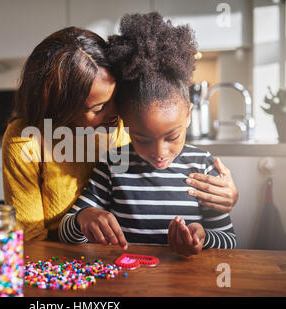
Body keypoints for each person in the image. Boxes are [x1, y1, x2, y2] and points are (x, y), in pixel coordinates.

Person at [2, 24, 239, 242]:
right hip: (63, 261)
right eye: (99, 107)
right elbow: (30, 239)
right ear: (64, 108)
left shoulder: (125, 122)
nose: (116, 111)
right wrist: (80, 222)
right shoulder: (26, 139)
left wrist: (226, 197)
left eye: (115, 98)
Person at [58, 12, 236, 256]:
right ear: (124, 123)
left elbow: (230, 240)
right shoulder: (112, 164)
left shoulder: (204, 166)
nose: (160, 152)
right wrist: (83, 217)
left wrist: (203, 237)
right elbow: (65, 232)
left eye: (172, 137)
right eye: (142, 139)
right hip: (126, 283)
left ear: (188, 115)